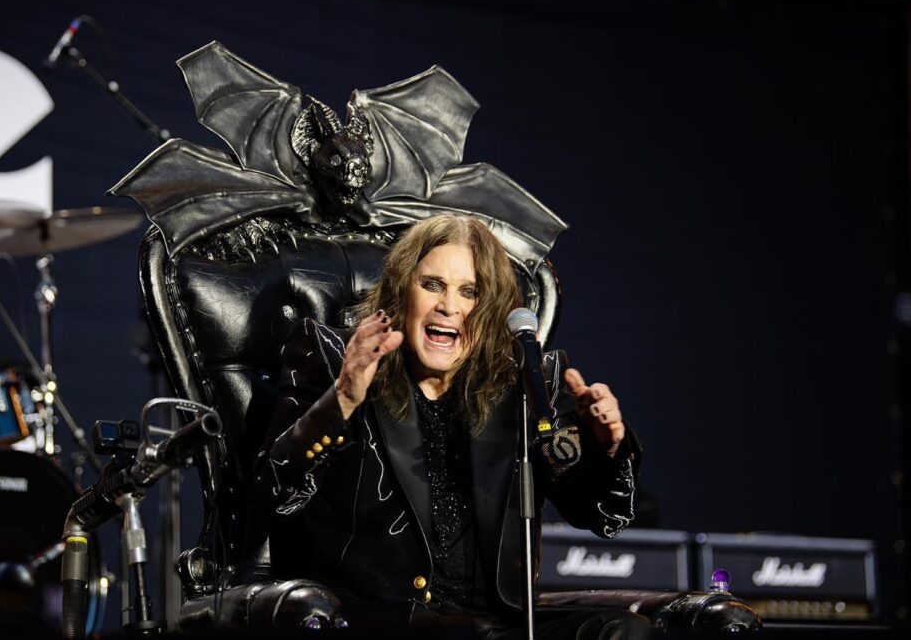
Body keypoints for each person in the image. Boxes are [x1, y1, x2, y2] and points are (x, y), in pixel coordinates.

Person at [257, 214, 646, 639]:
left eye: (469, 291)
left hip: (495, 624)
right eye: (432, 285)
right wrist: (344, 400)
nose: (449, 306)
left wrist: (607, 448)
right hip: (384, 619)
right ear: (401, 291)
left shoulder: (522, 385)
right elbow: (277, 490)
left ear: (490, 309)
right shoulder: (338, 358)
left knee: (620, 630)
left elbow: (598, 512)